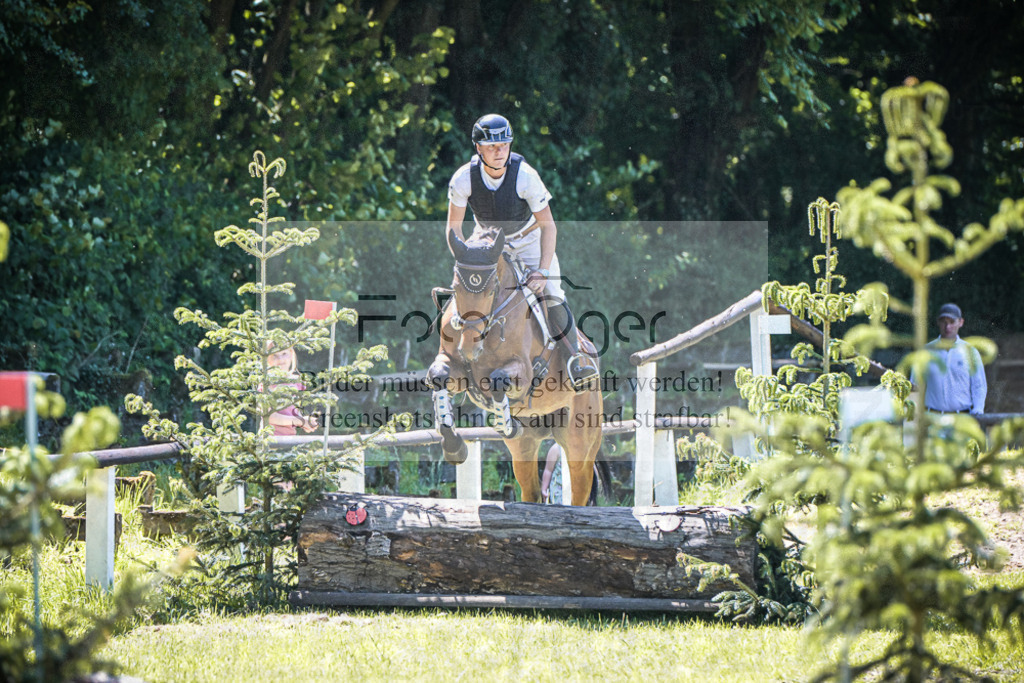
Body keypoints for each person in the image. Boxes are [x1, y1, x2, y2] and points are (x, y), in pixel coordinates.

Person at [445, 113, 598, 390]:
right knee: (468, 289)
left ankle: (575, 360)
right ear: (478, 148)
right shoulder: (463, 178)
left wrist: (542, 270)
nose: (499, 151)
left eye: (504, 145)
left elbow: (548, 226)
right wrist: (467, 261)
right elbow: (453, 228)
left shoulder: (526, 176)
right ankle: (452, 357)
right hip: (489, 244)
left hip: (530, 242)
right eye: (492, 146)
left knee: (553, 293)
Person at [912, 303, 987, 415]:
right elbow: (915, 384)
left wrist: (978, 409)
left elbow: (979, 385)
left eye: (952, 322)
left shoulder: (970, 351)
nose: (947, 327)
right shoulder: (926, 351)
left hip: (962, 417)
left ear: (960, 322)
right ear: (938, 322)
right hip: (933, 418)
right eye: (944, 322)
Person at [266, 345, 318, 435]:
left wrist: (306, 423)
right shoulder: (266, 382)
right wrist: (300, 421)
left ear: (291, 354)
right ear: (268, 359)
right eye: (275, 355)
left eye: (284, 353)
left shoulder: (297, 382)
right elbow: (269, 417)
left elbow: (294, 412)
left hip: (290, 438)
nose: (280, 359)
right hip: (270, 438)